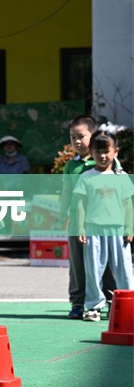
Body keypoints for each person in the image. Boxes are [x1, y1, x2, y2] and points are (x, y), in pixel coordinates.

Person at [58, 115, 117, 319]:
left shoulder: (106, 161)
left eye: (81, 136)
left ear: (93, 136)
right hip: (77, 223)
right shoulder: (71, 166)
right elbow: (66, 192)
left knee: (108, 263)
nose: (76, 141)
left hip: (103, 223)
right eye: (72, 137)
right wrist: (62, 214)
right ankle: (77, 303)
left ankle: (111, 300)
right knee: (78, 264)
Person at [73, 131, 134, 322]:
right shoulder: (86, 176)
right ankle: (94, 306)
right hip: (93, 230)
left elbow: (128, 204)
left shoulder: (122, 176)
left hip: (118, 230)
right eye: (97, 151)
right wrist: (80, 227)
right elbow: (80, 204)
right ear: (91, 152)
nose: (102, 156)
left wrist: (130, 227)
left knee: (124, 270)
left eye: (106, 151)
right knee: (93, 269)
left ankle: (127, 306)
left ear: (115, 152)